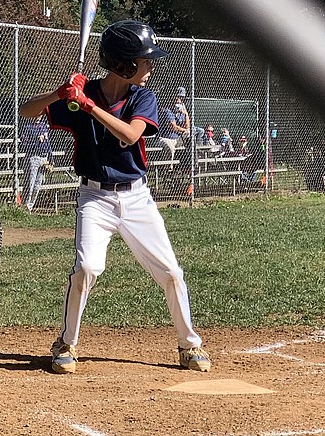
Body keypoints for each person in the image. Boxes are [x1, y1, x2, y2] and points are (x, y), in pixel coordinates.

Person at [18, 19, 211, 374]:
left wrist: (89, 107)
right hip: (95, 199)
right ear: (122, 64)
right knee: (87, 269)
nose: (150, 67)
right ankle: (66, 343)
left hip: (137, 199)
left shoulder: (143, 97)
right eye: (143, 60)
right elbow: (26, 110)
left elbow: (131, 135)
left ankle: (189, 345)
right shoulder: (80, 94)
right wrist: (60, 94)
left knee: (170, 272)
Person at [20, 114, 54, 212]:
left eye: (39, 115)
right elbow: (24, 144)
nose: (37, 117)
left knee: (37, 185)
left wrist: (51, 158)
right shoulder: (27, 128)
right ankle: (25, 206)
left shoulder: (44, 126)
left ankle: (30, 207)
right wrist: (36, 140)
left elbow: (48, 143)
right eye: (35, 115)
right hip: (33, 157)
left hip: (43, 158)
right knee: (30, 184)